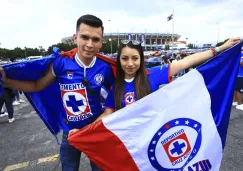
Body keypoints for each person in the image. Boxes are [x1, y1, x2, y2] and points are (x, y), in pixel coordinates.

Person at [0, 14, 115, 171]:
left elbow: (117, 93)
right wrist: (6, 81)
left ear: (101, 43)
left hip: (95, 132)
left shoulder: (105, 68)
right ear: (75, 38)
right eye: (85, 37)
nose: (89, 44)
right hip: (69, 133)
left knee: (101, 169)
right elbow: (36, 86)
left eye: (95, 39)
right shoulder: (61, 63)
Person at [68, 37, 240, 126]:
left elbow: (188, 61)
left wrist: (221, 48)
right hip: (131, 142)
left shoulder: (155, 74)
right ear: (119, 60)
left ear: (141, 59)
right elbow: (107, 113)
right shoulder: (116, 86)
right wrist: (84, 132)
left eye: (135, 58)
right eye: (125, 58)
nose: (130, 63)